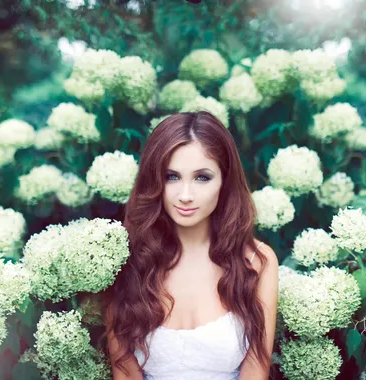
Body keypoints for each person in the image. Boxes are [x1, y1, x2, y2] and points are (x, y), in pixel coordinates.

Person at [100, 111, 279, 380]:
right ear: (154, 181)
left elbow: (256, 368)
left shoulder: (257, 261)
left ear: (224, 181)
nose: (185, 195)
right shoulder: (125, 259)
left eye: (202, 177)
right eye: (172, 176)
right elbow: (124, 371)